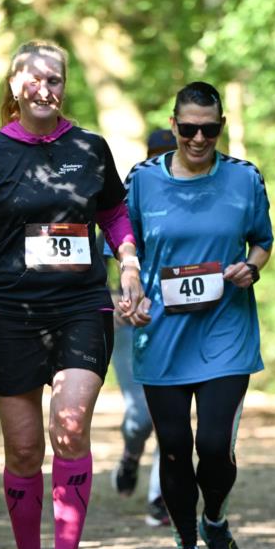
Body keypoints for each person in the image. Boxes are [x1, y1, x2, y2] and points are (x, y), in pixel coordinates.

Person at [0, 39, 143, 549]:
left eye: (56, 80)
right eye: (35, 80)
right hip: (11, 313)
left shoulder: (89, 148)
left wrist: (127, 260)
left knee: (69, 428)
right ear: (14, 86)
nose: (45, 89)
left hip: (80, 307)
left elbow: (114, 213)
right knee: (23, 450)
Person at [125, 82, 274, 549]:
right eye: (187, 128)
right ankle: (186, 546)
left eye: (208, 130)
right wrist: (130, 298)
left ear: (221, 127)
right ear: (173, 125)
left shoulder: (244, 178)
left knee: (212, 444)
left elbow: (262, 242)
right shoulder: (142, 181)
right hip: (162, 335)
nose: (197, 138)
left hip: (226, 332)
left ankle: (216, 520)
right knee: (172, 447)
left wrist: (251, 268)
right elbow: (125, 252)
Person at [110, 128, 176, 528]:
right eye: (159, 156)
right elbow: (103, 253)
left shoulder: (199, 199)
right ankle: (132, 454)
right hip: (129, 321)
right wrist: (109, 300)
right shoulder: (126, 196)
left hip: (181, 321)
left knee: (172, 409)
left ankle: (161, 496)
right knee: (141, 415)